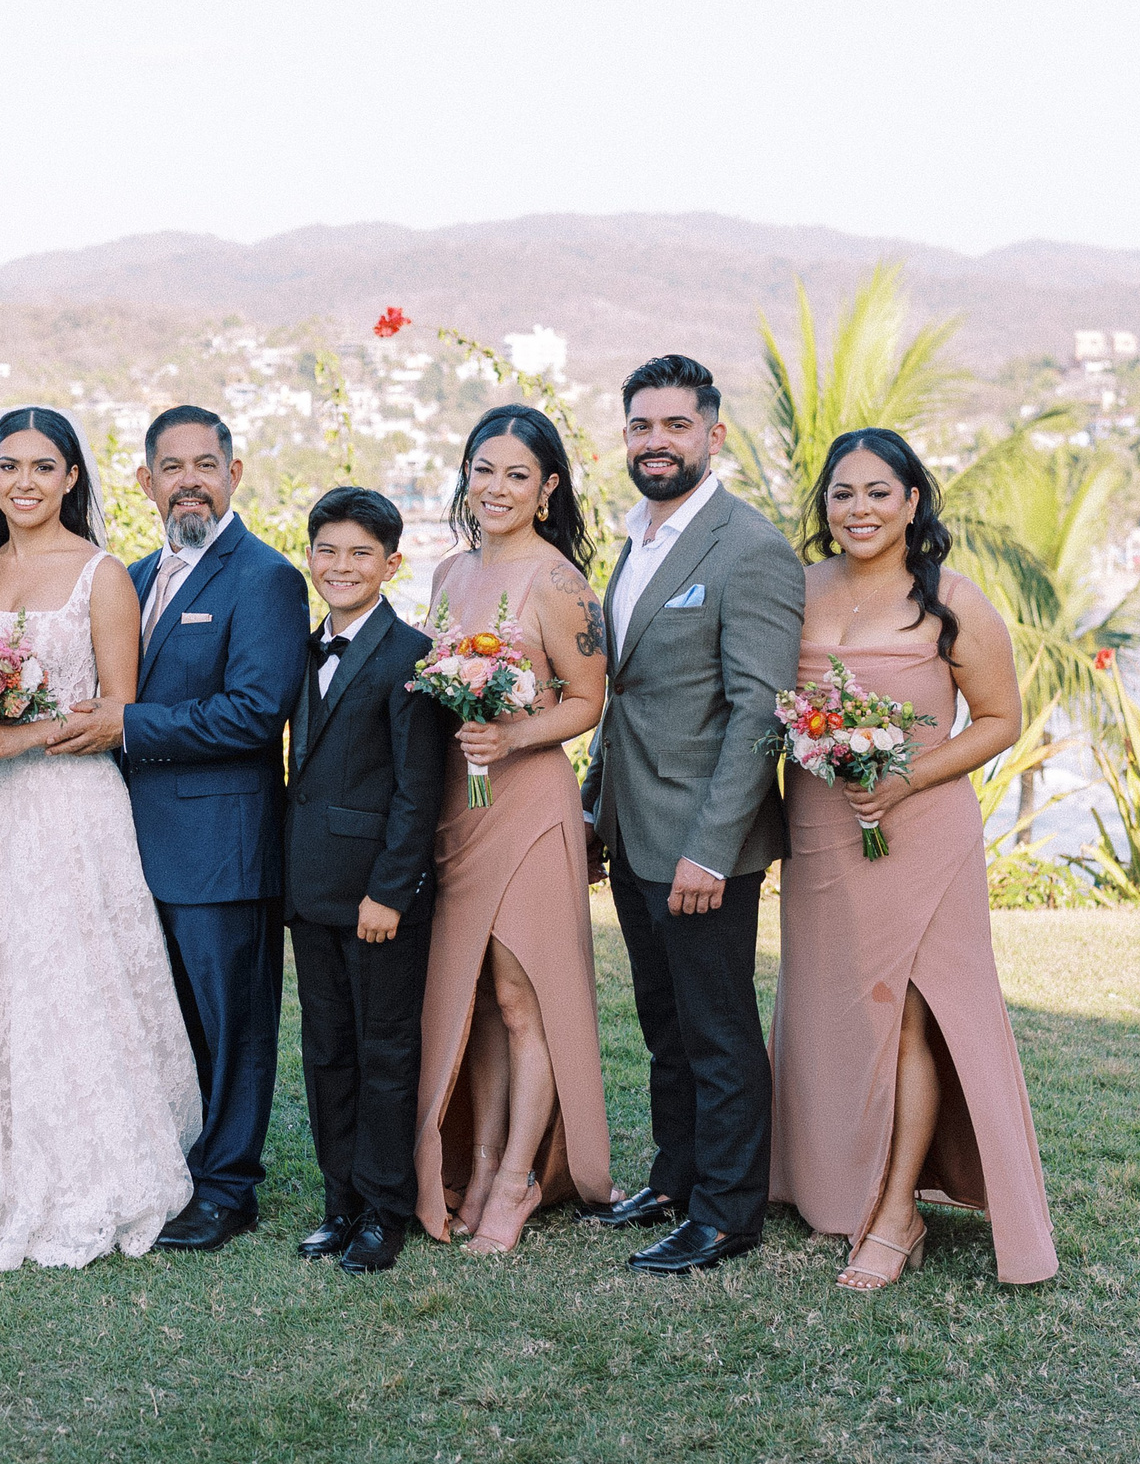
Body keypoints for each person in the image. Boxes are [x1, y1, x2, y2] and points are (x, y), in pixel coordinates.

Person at [0, 407, 201, 1268]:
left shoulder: (103, 576)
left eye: (43, 466)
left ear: (74, 476)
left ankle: (90, 1163)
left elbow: (115, 711)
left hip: (71, 809)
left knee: (68, 979)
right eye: (8, 467)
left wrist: (14, 739)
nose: (24, 482)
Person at [771, 429, 1058, 1289]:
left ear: (911, 502)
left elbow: (1000, 718)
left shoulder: (953, 600)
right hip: (821, 827)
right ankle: (826, 1182)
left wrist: (902, 781)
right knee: (833, 1009)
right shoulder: (797, 589)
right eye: (842, 493)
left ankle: (898, 1214)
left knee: (907, 1016)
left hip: (921, 831)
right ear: (824, 505)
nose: (858, 509)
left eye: (877, 493)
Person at [48, 405, 308, 1251]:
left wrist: (128, 725)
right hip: (126, 845)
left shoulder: (263, 577)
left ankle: (228, 1185)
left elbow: (254, 711)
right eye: (172, 466)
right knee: (159, 1018)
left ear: (236, 472)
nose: (189, 479)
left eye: (206, 462)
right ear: (145, 481)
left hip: (221, 846)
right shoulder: (128, 573)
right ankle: (166, 1166)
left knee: (231, 1025)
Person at [581, 355, 806, 1275]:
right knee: (663, 1021)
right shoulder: (634, 540)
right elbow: (625, 693)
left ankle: (726, 1210)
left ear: (713, 433)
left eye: (676, 426)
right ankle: (674, 1178)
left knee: (717, 1030)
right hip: (635, 828)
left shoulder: (748, 547)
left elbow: (760, 711)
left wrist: (712, 853)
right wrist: (597, 808)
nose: (656, 442)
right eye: (642, 426)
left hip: (705, 843)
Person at [414, 408, 615, 1254]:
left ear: (549, 488)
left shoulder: (562, 582)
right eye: (482, 470)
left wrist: (511, 734)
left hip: (529, 805)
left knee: (519, 996)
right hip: (458, 805)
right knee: (476, 1000)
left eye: (516, 475)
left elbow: (588, 700)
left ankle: (520, 1175)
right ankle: (485, 1150)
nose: (495, 489)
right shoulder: (448, 571)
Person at [283, 486, 445, 1275]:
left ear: (391, 562)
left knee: (384, 1051)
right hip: (310, 888)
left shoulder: (410, 655)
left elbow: (419, 790)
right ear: (310, 557)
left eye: (360, 553)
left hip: (378, 899)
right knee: (326, 1049)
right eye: (328, 551)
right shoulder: (304, 644)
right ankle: (338, 1198)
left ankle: (384, 1208)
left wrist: (390, 890)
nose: (341, 566)